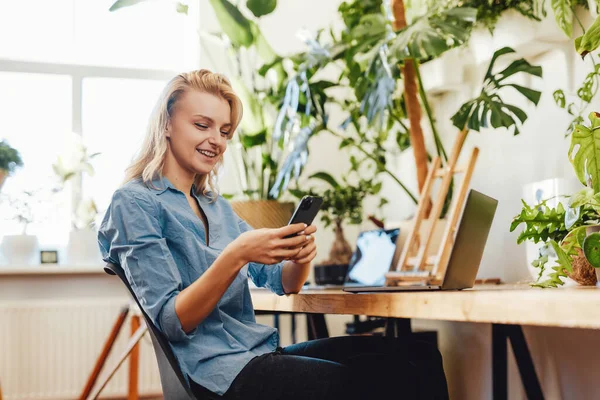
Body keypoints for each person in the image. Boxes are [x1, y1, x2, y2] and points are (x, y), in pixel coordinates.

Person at [98, 69, 449, 400]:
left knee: (417, 355)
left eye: (224, 131)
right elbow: (174, 322)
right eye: (202, 125)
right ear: (167, 125)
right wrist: (236, 254)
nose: (216, 140)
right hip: (214, 374)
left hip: (258, 352)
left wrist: (300, 255)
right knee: (350, 383)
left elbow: (285, 283)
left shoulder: (215, 206)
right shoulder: (135, 202)